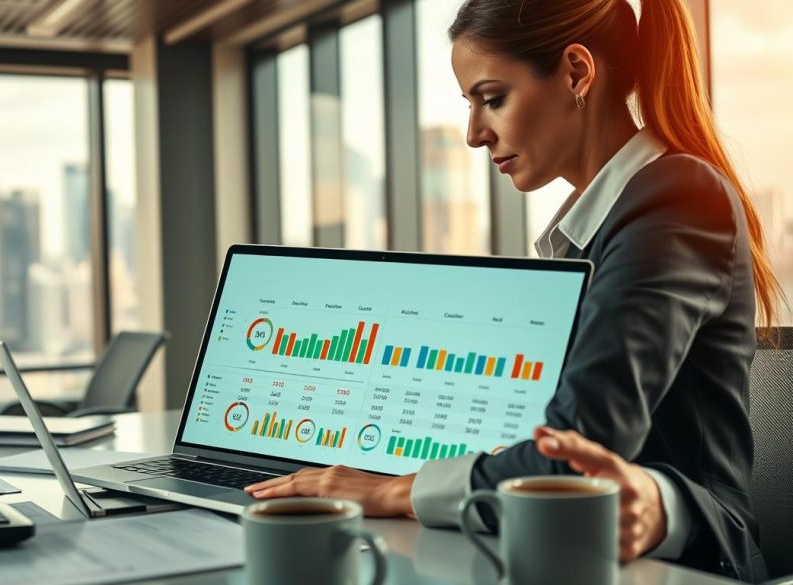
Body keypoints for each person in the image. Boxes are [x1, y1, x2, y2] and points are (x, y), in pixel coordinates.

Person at [245, 0, 784, 581]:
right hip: (569, 547)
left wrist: (399, 492)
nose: (475, 134)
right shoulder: (596, 228)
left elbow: (578, 444)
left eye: (492, 98)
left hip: (690, 563)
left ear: (577, 73)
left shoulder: (673, 198)